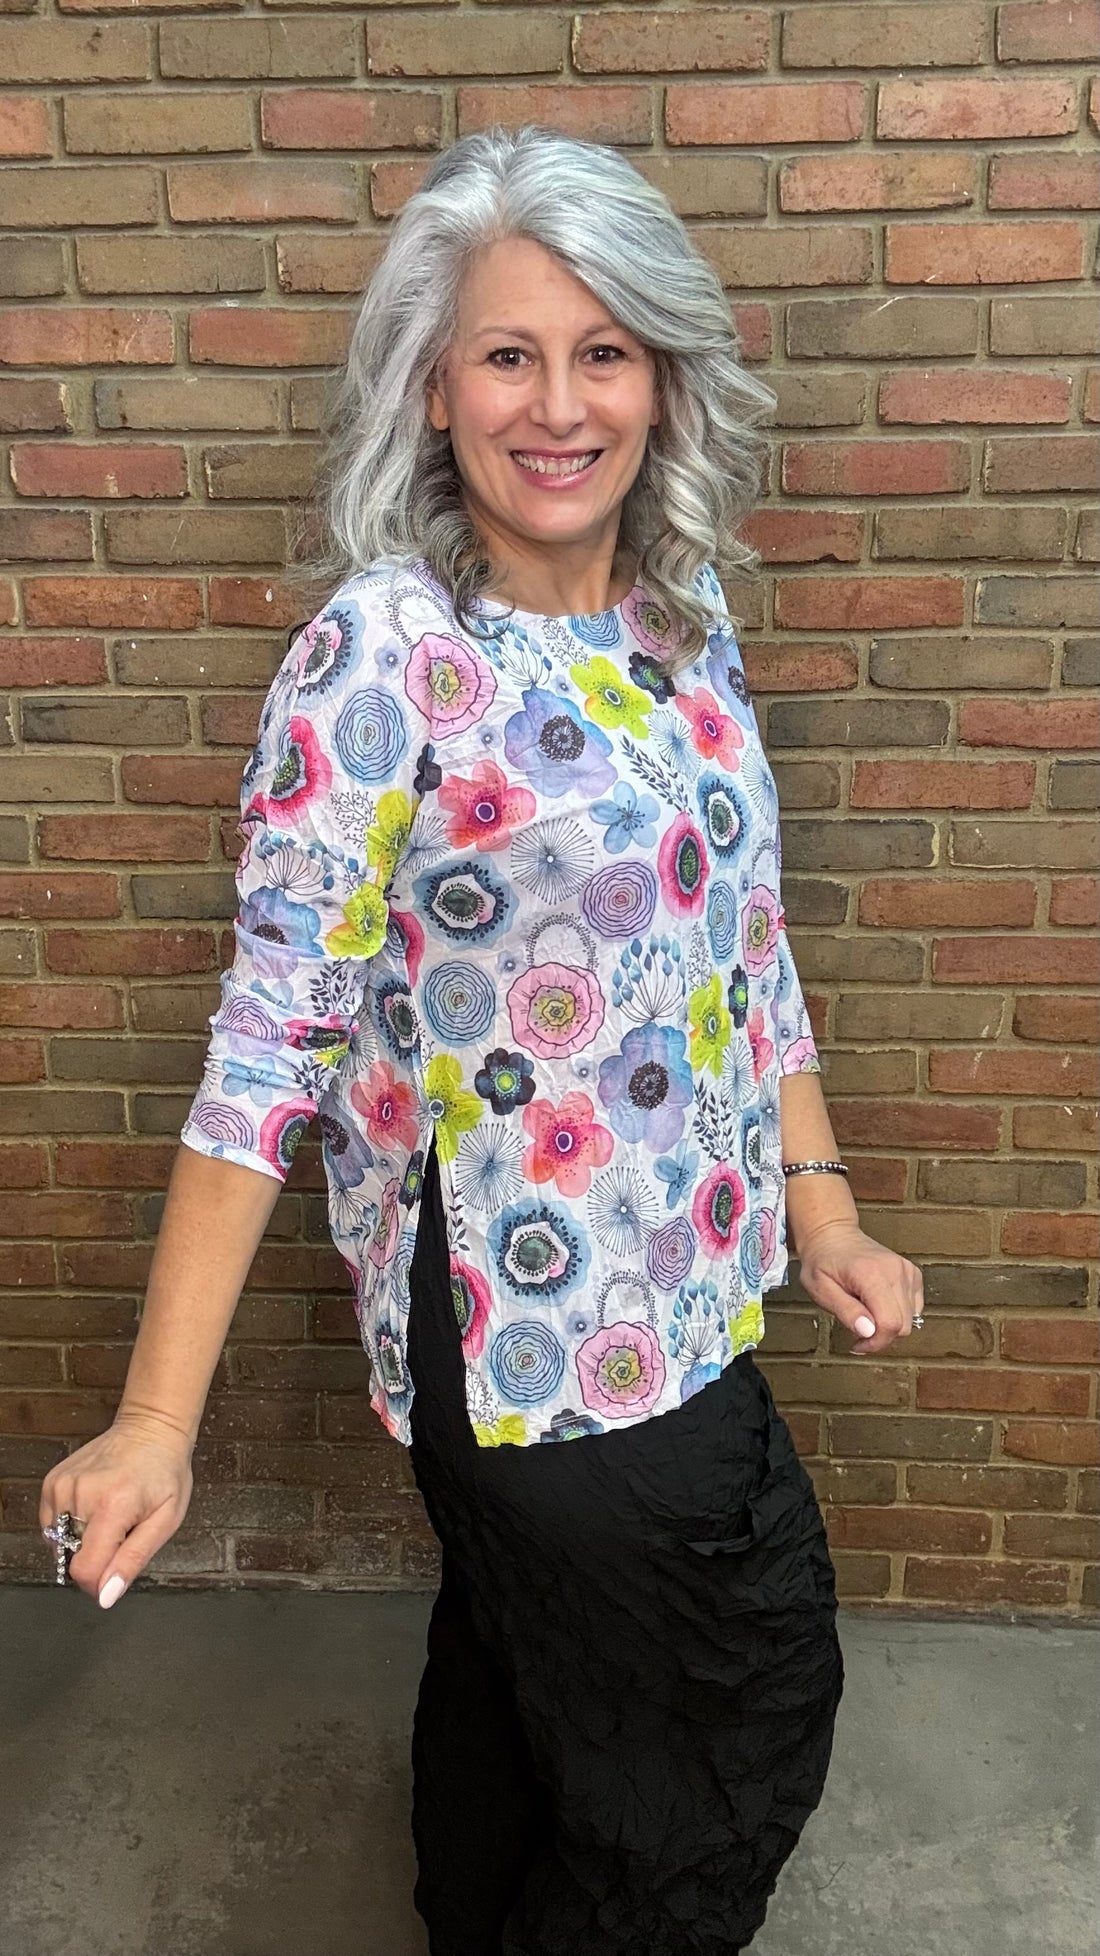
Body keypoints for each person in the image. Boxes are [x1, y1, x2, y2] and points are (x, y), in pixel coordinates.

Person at [41, 125, 925, 1955]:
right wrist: (154, 1422)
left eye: (605, 352)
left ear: (663, 380)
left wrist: (822, 1206)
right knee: (736, 1709)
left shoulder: (686, 621)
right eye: (510, 353)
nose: (561, 405)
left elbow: (746, 947)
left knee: (526, 1663)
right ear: (434, 388)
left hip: (696, 1278)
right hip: (527, 1327)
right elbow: (269, 1043)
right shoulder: (380, 656)